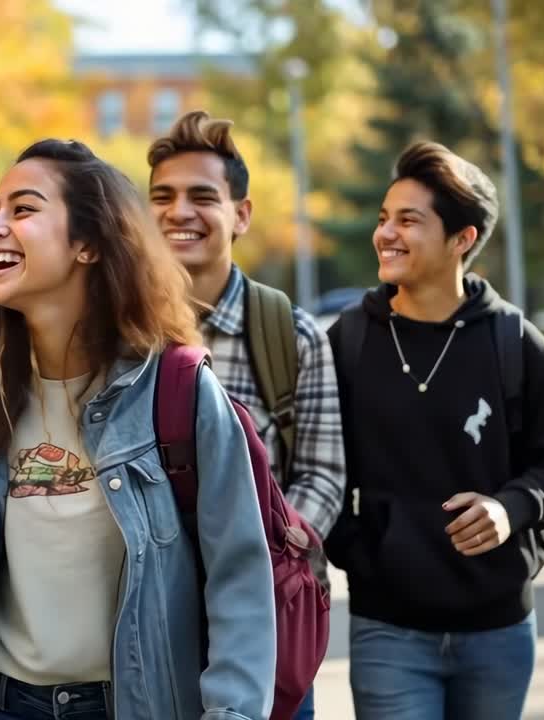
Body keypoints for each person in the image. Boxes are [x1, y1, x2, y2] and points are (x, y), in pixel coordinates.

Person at [0, 139, 277, 720]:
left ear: (88, 244)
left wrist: (233, 712)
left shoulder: (179, 389)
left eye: (23, 209)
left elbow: (238, 578)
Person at [324, 141, 544, 719]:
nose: (386, 233)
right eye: (384, 218)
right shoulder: (349, 342)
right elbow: (316, 464)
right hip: (387, 627)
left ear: (462, 239)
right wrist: (362, 552)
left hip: (499, 631)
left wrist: (509, 508)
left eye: (408, 220)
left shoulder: (516, 343)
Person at [147, 110, 346, 720]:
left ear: (241, 213)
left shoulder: (291, 335)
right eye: (162, 197)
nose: (179, 212)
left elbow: (323, 477)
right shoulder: (119, 337)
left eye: (202, 197)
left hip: (263, 632)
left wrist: (257, 562)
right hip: (144, 628)